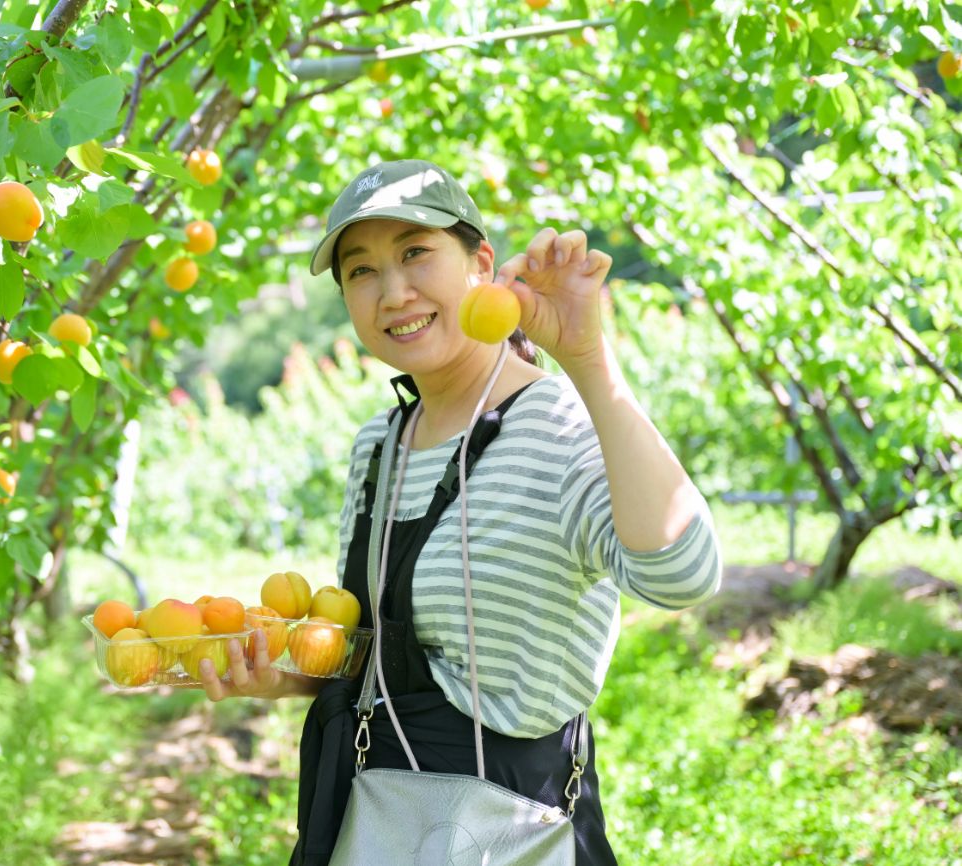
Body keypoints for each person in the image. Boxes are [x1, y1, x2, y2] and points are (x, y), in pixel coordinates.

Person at [197, 160, 723, 865]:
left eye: (416, 253)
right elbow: (385, 650)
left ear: (480, 262)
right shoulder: (380, 445)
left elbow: (685, 576)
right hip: (372, 819)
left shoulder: (557, 428)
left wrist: (589, 358)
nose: (392, 292)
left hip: (502, 829)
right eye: (361, 271)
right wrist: (287, 675)